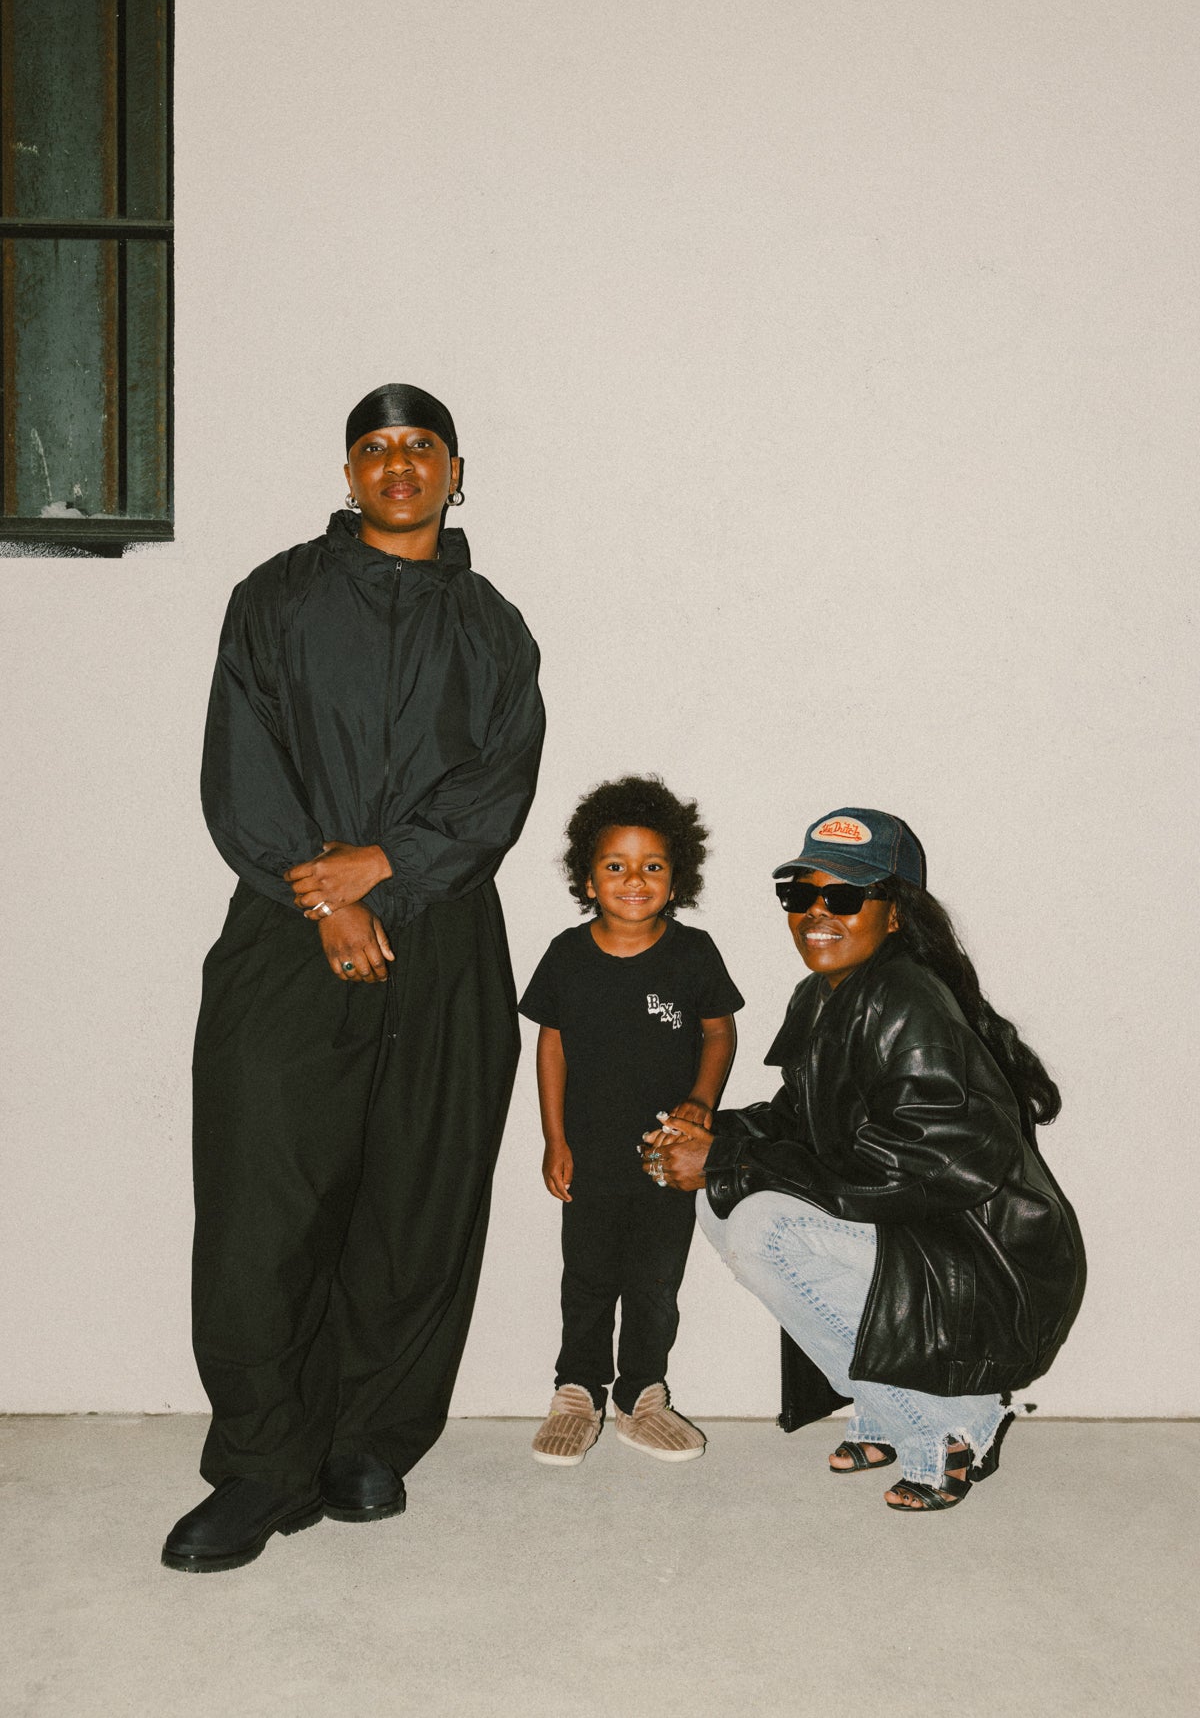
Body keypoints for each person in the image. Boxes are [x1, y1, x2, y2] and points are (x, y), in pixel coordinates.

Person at [162, 384, 545, 1572]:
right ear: (348, 473)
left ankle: (367, 1439)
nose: (398, 463)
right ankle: (260, 1463)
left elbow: (500, 783)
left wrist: (387, 870)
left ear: (455, 471)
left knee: (417, 1203)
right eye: (374, 447)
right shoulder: (274, 599)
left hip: (445, 938)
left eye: (420, 445)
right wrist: (325, 895)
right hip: (288, 927)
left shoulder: (494, 628)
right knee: (261, 1204)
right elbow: (242, 760)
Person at [643, 807, 1084, 1513]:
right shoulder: (824, 994)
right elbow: (800, 1118)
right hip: (923, 1233)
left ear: (895, 913)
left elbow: (918, 1166)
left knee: (765, 1226)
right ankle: (883, 1411)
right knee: (722, 1202)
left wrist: (728, 1158)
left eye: (845, 896)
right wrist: (704, 1134)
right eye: (800, 893)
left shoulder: (908, 1000)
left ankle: (955, 1427)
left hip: (985, 1259)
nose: (816, 913)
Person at [518, 775, 744, 1466]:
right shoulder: (567, 955)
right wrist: (554, 1138)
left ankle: (642, 1394)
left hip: (665, 1157)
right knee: (586, 1277)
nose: (634, 880)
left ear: (676, 880)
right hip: (587, 1154)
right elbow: (550, 1044)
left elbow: (720, 1031)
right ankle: (577, 1391)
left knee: (654, 1282)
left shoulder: (693, 953)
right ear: (588, 879)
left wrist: (701, 1103)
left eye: (652, 866)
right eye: (616, 866)